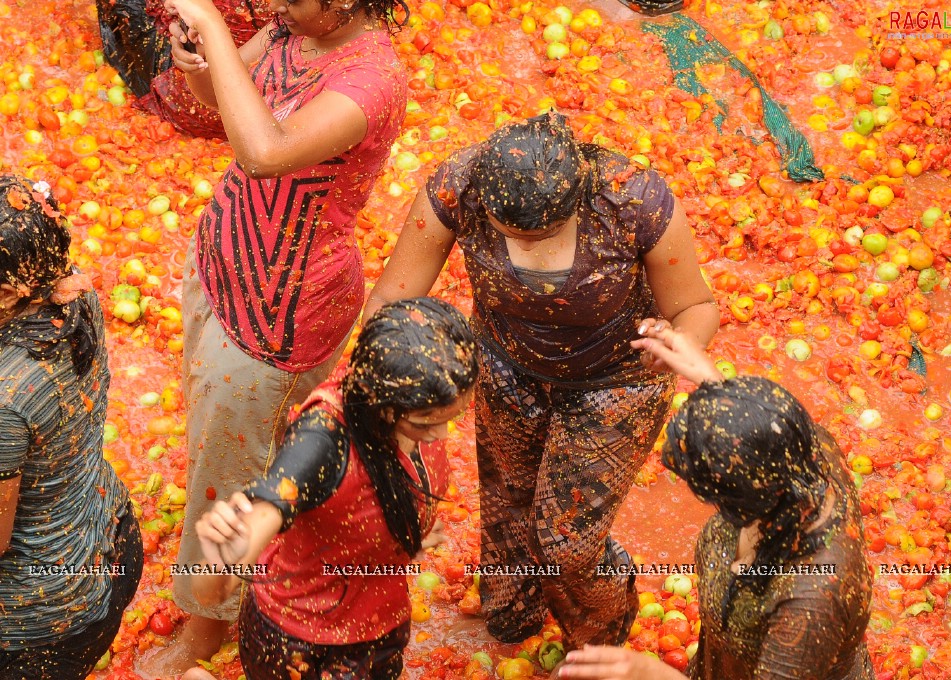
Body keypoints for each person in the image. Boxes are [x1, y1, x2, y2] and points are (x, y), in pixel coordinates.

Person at [364, 112, 719, 649]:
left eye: (543, 236)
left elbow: (695, 305)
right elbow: (393, 299)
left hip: (618, 377)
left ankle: (601, 633)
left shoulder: (632, 201)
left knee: (568, 542)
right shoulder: (459, 186)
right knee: (509, 510)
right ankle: (516, 619)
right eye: (511, 238)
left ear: (578, 203)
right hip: (509, 366)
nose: (526, 251)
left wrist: (679, 345)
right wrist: (377, 399)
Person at [141, 0, 408, 673]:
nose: (275, 1)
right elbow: (221, 112)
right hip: (222, 257)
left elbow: (263, 153)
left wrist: (211, 26)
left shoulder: (371, 80)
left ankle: (207, 624)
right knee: (224, 447)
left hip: (279, 309)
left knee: (227, 468)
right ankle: (243, 565)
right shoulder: (293, 26)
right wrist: (196, 60)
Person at [175, 297, 477, 680]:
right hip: (299, 641)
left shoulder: (405, 381)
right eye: (424, 422)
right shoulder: (322, 443)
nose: (440, 434)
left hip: (380, 621)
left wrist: (407, 531)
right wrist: (221, 563)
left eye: (452, 417)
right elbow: (262, 516)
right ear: (380, 405)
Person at [558, 323, 875, 679]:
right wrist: (717, 387)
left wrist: (653, 674)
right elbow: (767, 429)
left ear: (736, 500)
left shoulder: (811, 600)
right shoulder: (801, 458)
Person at [0, 174, 143, 679]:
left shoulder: (5, 400)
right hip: (111, 533)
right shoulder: (67, 291)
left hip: (44, 615)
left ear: (5, 293)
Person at [97, 0, 272, 137]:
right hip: (220, 92)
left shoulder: (284, 23)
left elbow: (265, 158)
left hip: (208, 108)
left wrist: (209, 22)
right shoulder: (282, 23)